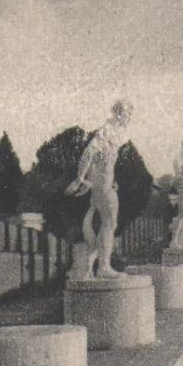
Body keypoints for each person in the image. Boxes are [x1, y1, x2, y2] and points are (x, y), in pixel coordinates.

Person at [65, 100, 133, 278]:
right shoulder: (107, 130)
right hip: (102, 186)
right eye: (127, 114)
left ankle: (94, 262)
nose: (129, 118)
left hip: (104, 184)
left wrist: (109, 180)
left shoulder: (115, 132)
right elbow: (89, 153)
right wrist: (80, 178)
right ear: (119, 114)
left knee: (109, 223)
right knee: (109, 223)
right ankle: (103, 267)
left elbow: (101, 162)